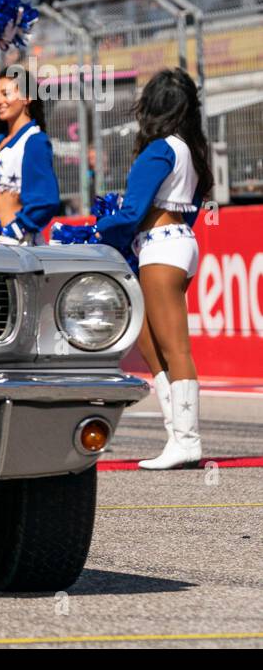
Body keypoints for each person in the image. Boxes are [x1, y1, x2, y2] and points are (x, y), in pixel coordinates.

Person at [67, 69, 211, 469]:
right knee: (150, 346)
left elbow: (131, 212)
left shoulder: (160, 150)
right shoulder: (191, 148)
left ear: (151, 106)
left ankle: (187, 440)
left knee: (173, 348)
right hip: (176, 244)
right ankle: (177, 437)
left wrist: (95, 231)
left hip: (161, 248)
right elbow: (194, 207)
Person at [0, 37, 60, 243]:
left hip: (16, 244)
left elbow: (47, 199)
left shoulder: (34, 140)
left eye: (5, 93)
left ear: (27, 97)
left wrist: (17, 229)